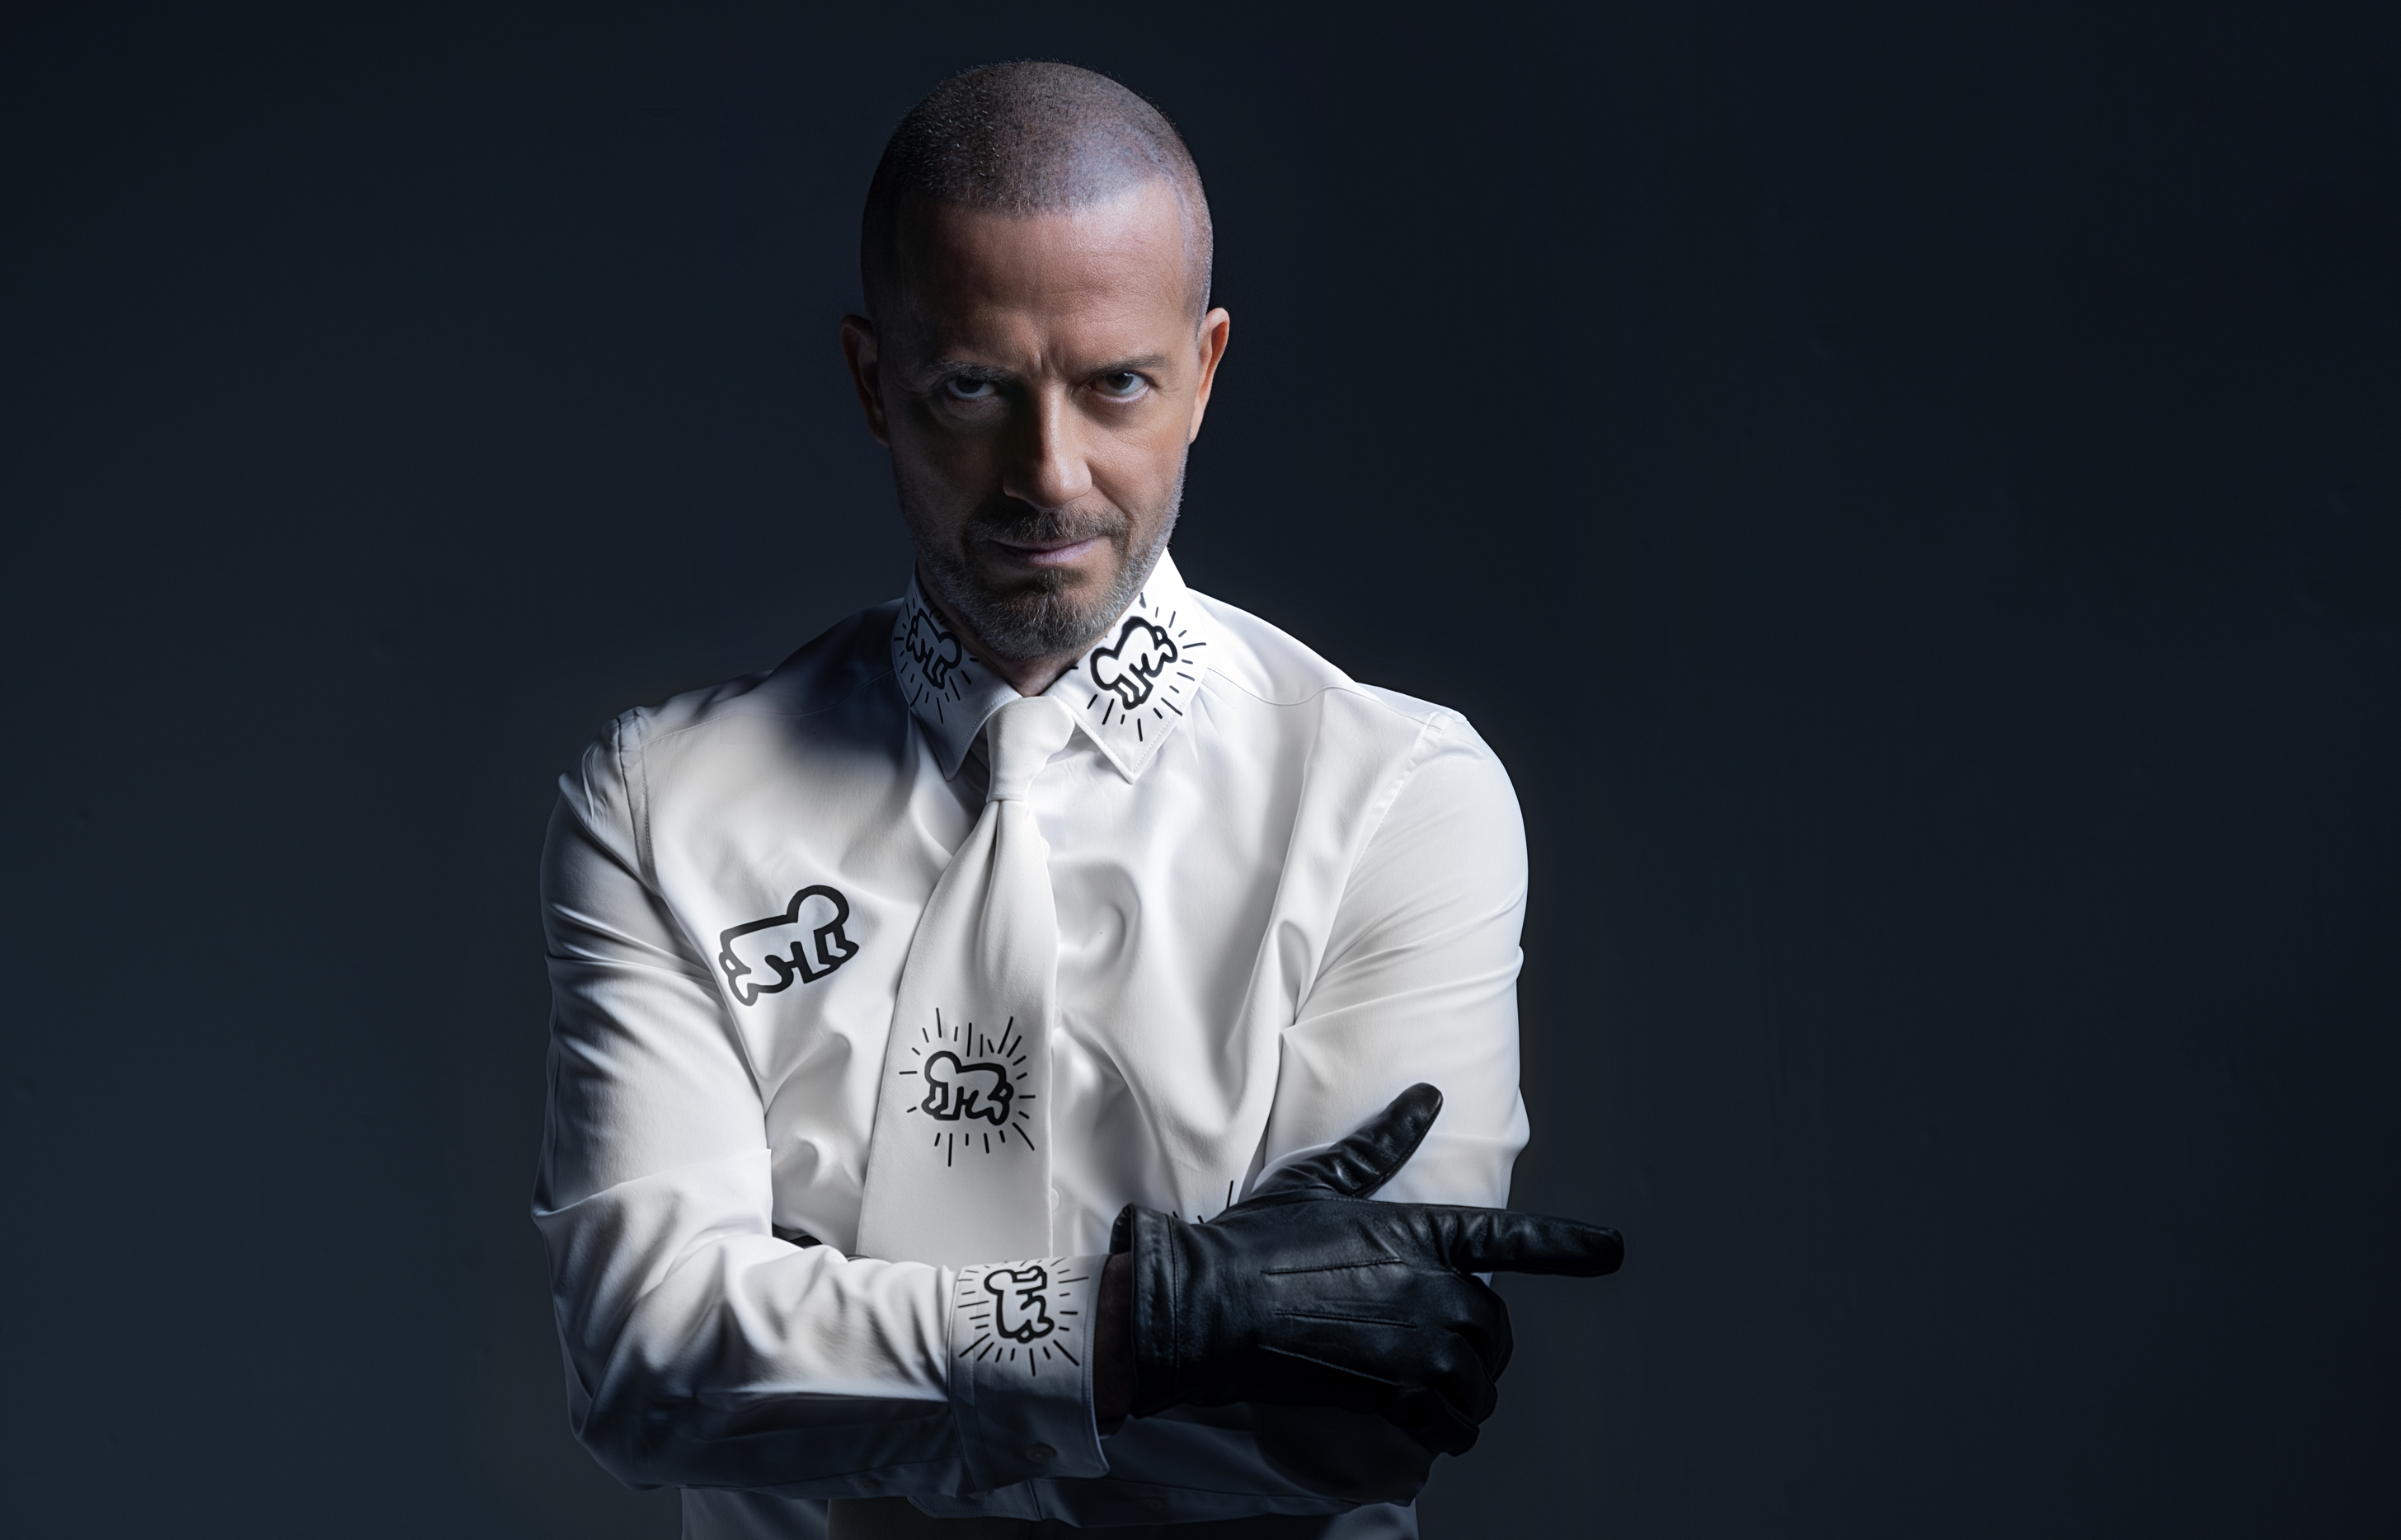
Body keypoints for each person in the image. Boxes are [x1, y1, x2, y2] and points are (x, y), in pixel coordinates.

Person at [534, 61, 1620, 1540]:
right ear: (873, 383)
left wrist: (816, 1363)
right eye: (973, 388)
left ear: (1206, 372)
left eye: (1117, 384)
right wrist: (1155, 1327)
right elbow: (649, 1371)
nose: (1049, 476)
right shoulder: (662, 807)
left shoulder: (1398, 799)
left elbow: (1356, 1420)